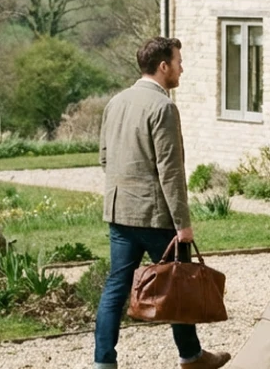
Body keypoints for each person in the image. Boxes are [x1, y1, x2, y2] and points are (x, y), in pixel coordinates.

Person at [93, 37, 231, 369]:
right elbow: (171, 171)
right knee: (179, 285)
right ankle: (191, 357)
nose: (182, 67)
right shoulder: (163, 107)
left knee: (116, 286)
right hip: (156, 217)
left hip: (119, 212)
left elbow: (104, 158)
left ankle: (103, 362)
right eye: (179, 61)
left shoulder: (116, 102)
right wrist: (183, 224)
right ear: (163, 66)